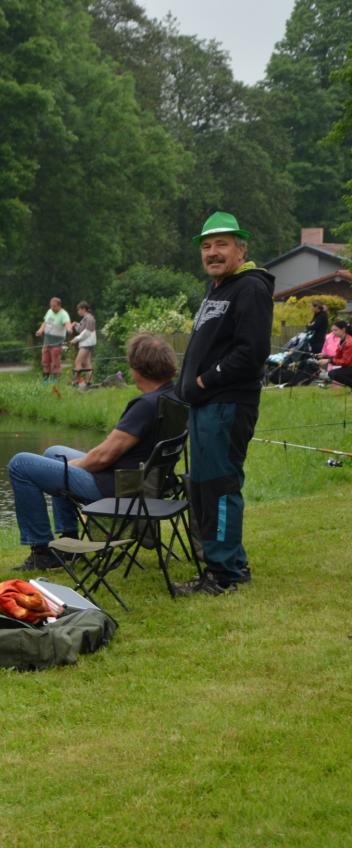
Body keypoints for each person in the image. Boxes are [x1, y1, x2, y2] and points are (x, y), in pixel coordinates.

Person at [7, 333, 179, 571]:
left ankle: (41, 551)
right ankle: (69, 541)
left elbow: (103, 457)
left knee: (20, 465)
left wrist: (70, 467)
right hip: (145, 481)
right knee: (53, 452)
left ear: (137, 369)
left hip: (117, 486)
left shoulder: (145, 405)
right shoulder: (172, 396)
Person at [173, 212, 274, 596]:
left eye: (221, 245)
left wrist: (203, 380)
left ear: (240, 250)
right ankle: (229, 563)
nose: (212, 252)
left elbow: (252, 352)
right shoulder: (219, 288)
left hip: (227, 404)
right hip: (205, 406)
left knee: (219, 485)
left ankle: (223, 575)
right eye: (206, 246)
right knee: (204, 486)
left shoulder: (250, 288)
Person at [35, 297, 71, 382]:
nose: (52, 308)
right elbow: (45, 323)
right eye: (51, 306)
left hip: (57, 343)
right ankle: (45, 381)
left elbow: (67, 323)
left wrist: (69, 329)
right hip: (47, 341)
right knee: (45, 361)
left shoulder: (64, 314)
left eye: (54, 306)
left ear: (59, 306)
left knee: (55, 363)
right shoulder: (49, 311)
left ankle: (54, 382)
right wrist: (40, 330)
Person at [69, 301, 98, 388]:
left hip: (86, 344)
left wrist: (75, 339)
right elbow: (81, 330)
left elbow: (87, 332)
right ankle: (89, 383)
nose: (78, 311)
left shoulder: (89, 319)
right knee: (86, 364)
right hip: (87, 343)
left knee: (78, 362)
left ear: (83, 309)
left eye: (79, 310)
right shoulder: (85, 319)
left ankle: (77, 383)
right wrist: (75, 324)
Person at [317, 319, 352, 387]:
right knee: (333, 373)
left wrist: (328, 360)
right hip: (349, 367)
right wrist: (325, 356)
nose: (333, 332)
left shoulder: (349, 343)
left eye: (335, 330)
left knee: (334, 374)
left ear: (343, 330)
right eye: (332, 330)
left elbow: (345, 362)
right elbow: (338, 357)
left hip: (349, 367)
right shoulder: (343, 340)